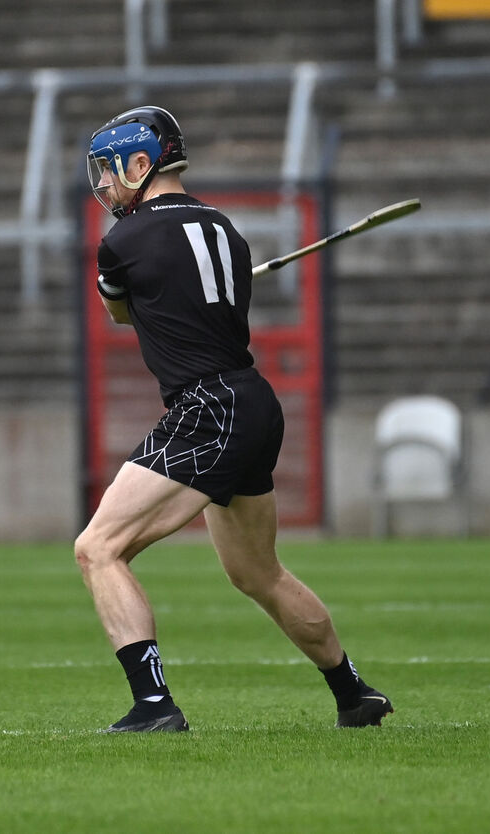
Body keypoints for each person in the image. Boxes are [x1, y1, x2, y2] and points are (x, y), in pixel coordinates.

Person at [76, 105, 392, 733]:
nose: (103, 187)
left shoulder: (120, 243)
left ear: (143, 164)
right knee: (257, 571)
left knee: (98, 548)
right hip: (252, 401)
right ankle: (354, 695)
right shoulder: (227, 230)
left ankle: (155, 706)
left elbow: (121, 315)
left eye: (108, 172)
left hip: (206, 408)